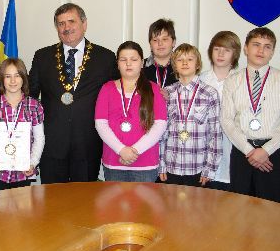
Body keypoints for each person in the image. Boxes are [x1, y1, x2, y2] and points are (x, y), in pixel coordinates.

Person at [29, 3, 118, 183]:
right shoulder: (42, 57)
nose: (66, 27)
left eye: (71, 21)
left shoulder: (105, 57)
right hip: (52, 144)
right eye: (61, 23)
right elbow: (28, 94)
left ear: (84, 24)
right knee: (53, 198)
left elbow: (119, 95)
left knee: (84, 199)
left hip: (88, 143)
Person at [220, 27, 280, 204]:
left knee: (272, 210)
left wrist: (265, 151)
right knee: (240, 210)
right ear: (246, 48)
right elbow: (226, 120)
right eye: (256, 45)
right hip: (242, 152)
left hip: (272, 153)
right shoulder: (232, 80)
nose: (261, 50)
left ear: (273, 52)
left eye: (267, 46)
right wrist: (249, 151)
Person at [95, 41, 167, 182]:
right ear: (117, 64)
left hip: (145, 163)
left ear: (142, 63)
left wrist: (134, 151)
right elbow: (101, 124)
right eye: (123, 60)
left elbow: (160, 124)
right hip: (114, 162)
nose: (128, 64)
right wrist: (121, 150)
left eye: (134, 59)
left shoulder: (154, 89)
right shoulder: (107, 88)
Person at [159, 43, 222, 187]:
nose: (185, 63)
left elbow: (216, 134)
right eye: (180, 59)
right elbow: (161, 133)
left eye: (190, 59)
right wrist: (161, 163)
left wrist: (210, 169)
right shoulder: (167, 93)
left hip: (198, 167)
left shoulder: (209, 93)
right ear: (174, 65)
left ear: (198, 64)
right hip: (171, 166)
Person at [0, 58, 45, 192]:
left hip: (23, 172)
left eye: (17, 76)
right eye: (8, 76)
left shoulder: (34, 106)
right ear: (2, 79)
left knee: (22, 206)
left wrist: (32, 163)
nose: (13, 81)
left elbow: (39, 138)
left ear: (24, 78)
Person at [199, 31, 242, 191]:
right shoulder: (200, 80)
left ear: (235, 54)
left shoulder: (241, 81)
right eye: (217, 49)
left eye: (227, 50)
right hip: (203, 150)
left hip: (232, 147)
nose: (221, 54)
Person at [143, 19, 178, 90]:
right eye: (155, 40)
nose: (160, 43)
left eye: (164, 39)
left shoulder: (183, 67)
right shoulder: (140, 68)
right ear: (150, 44)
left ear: (173, 42)